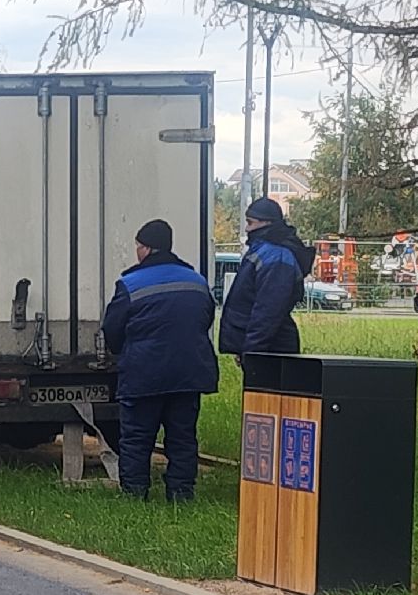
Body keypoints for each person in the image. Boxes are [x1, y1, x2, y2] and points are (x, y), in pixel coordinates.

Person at [101, 219, 218, 501]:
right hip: (189, 373)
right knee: (182, 438)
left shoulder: (130, 283)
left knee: (137, 439)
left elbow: (112, 328)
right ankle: (181, 494)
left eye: (139, 246)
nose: (137, 251)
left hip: (144, 374)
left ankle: (135, 495)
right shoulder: (196, 280)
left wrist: (124, 351)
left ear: (148, 248)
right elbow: (205, 319)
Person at [220, 196, 317, 358]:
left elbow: (268, 311)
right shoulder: (265, 251)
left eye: (250, 222)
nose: (246, 229)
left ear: (267, 223)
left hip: (271, 350)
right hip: (267, 346)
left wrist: (251, 351)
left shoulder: (276, 257)